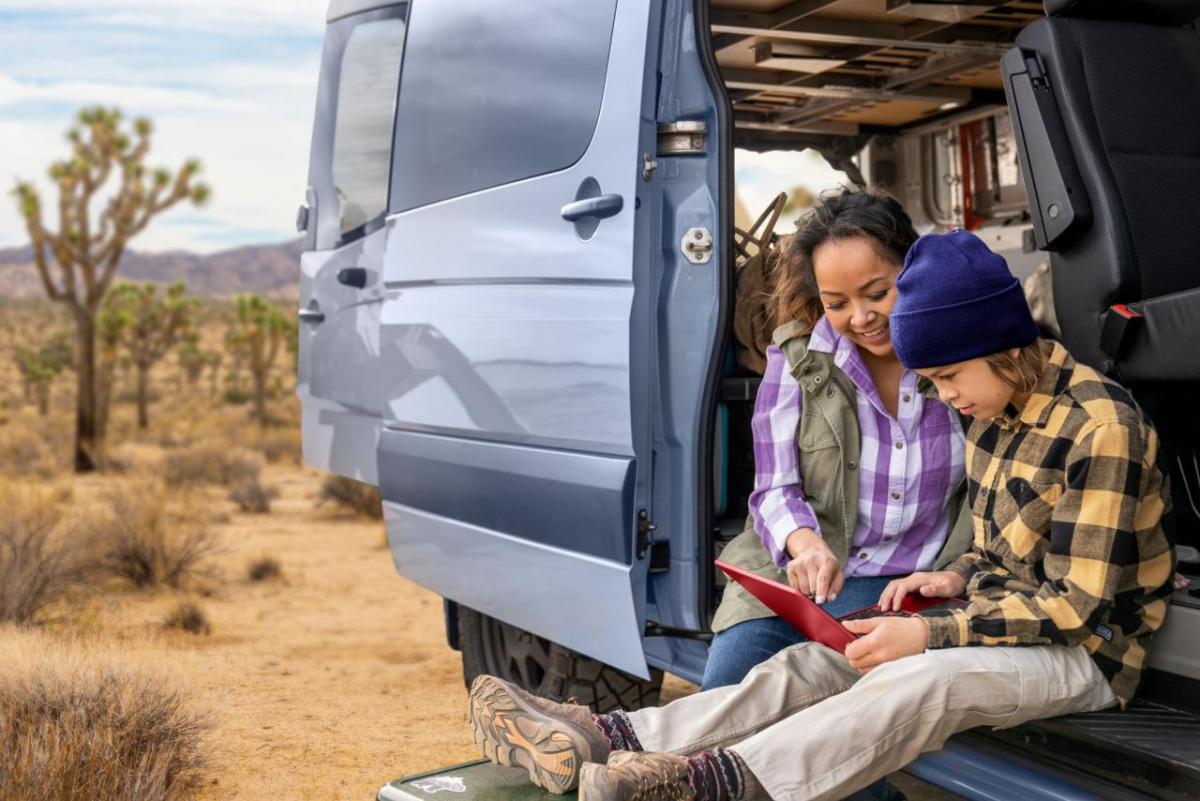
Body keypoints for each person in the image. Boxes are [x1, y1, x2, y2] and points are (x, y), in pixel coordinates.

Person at [466, 229, 1175, 801]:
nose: (947, 398)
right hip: (1002, 621)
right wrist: (952, 580)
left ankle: (713, 784)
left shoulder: (1099, 426)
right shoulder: (995, 404)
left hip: (1089, 655)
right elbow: (999, 557)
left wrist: (932, 632)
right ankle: (611, 737)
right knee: (811, 663)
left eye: (951, 379)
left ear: (1001, 345)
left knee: (918, 676)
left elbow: (1078, 607)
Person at [707, 189, 972, 701]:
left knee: (837, 715)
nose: (861, 317)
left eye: (878, 293)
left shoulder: (962, 356)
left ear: (912, 268)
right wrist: (804, 546)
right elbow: (772, 490)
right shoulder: (797, 362)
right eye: (837, 303)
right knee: (725, 694)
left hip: (908, 587)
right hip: (798, 584)